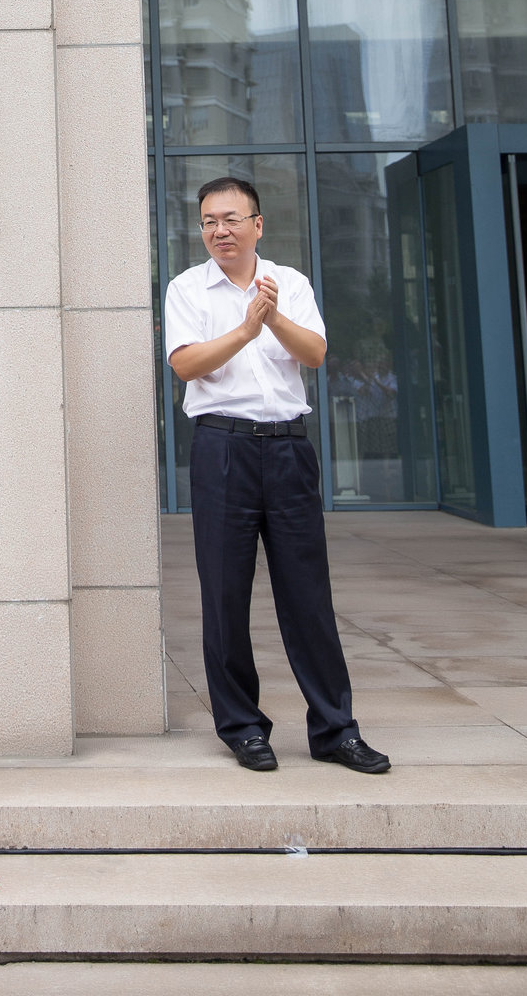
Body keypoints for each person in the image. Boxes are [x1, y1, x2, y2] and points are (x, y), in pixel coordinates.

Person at [164, 177, 390, 775]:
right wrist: (244, 327)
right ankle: (243, 729)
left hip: (289, 451)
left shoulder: (290, 283)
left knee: (308, 596)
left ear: (258, 225)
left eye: (232, 219)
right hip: (222, 451)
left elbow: (314, 353)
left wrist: (269, 318)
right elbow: (185, 363)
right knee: (224, 595)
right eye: (209, 221)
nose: (220, 230)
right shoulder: (187, 287)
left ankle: (336, 731)